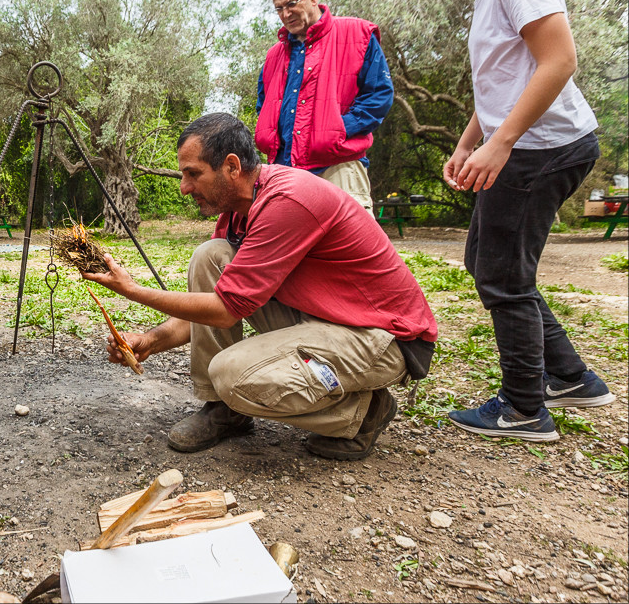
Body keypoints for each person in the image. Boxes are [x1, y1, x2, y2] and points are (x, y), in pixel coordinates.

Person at [82, 113, 438, 460]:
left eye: (193, 174)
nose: (184, 187)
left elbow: (224, 311)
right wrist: (151, 341)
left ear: (231, 167)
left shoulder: (288, 200)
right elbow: (219, 302)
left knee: (230, 375)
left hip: (383, 337)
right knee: (211, 256)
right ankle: (224, 411)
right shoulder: (238, 209)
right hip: (328, 317)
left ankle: (361, 412)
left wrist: (133, 290)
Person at [405, 0, 613, 442]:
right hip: (523, 146)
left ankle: (523, 409)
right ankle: (570, 377)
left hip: (542, 148)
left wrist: (502, 143)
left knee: (503, 276)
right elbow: (501, 83)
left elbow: (559, 60)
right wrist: (469, 142)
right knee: (487, 263)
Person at [255, 0, 393, 214]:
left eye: (291, 3)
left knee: (351, 240)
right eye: (279, 8)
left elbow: (379, 96)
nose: (285, 14)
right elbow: (264, 106)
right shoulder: (273, 55)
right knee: (288, 240)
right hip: (284, 172)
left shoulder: (358, 34)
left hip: (339, 168)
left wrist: (336, 130)